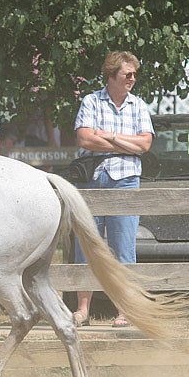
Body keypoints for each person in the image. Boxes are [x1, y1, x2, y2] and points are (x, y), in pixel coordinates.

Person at [71, 51, 154, 328]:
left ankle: (125, 309)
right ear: (111, 75)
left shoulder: (139, 105)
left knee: (124, 247)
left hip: (126, 178)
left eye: (133, 74)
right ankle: (83, 308)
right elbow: (84, 138)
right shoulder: (91, 101)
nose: (132, 78)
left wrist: (109, 136)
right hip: (93, 176)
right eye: (127, 74)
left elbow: (145, 145)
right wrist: (123, 144)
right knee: (87, 245)